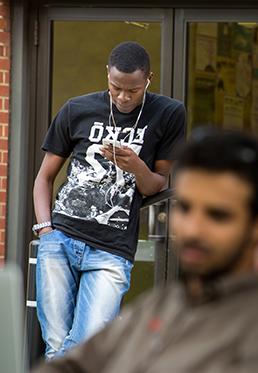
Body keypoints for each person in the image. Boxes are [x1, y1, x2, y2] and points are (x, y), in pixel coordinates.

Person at [33, 128, 258, 373]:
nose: (192, 230)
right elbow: (73, 365)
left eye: (217, 215)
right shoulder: (164, 302)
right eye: (184, 208)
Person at [32, 41, 186, 358]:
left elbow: (157, 185)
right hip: (60, 240)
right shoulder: (77, 109)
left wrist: (135, 166)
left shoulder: (169, 114)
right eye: (116, 87)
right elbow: (44, 177)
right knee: (57, 347)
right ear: (107, 75)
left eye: (133, 90)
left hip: (111, 251)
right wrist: (46, 231)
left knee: (86, 349)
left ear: (149, 79)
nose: (123, 97)